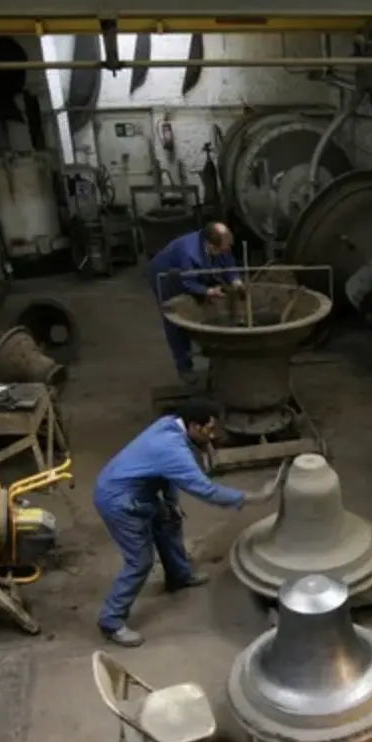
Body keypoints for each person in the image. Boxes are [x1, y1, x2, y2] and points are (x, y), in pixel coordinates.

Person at [93, 398, 275, 647]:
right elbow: (205, 490)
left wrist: (170, 502)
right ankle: (111, 621)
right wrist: (252, 497)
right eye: (208, 430)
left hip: (136, 489)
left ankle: (179, 576)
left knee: (169, 522)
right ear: (192, 427)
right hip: (118, 501)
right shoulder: (172, 448)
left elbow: (164, 472)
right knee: (140, 561)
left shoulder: (169, 425)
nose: (212, 436)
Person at [148, 220, 244, 381]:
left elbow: (227, 263)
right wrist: (208, 291)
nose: (226, 251)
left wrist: (236, 281)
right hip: (168, 277)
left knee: (210, 304)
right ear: (209, 245)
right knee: (175, 319)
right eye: (222, 249)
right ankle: (184, 367)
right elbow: (188, 282)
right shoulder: (188, 253)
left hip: (189, 272)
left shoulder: (219, 245)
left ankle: (217, 359)